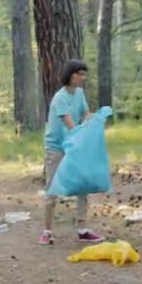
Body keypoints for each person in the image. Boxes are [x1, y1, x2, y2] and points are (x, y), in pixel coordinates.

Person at [39, 59, 105, 245]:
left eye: (84, 74)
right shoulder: (60, 98)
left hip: (75, 145)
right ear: (71, 75)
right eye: (80, 74)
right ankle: (47, 231)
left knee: (83, 186)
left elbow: (85, 114)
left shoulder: (80, 93)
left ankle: (83, 230)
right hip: (57, 148)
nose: (83, 78)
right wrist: (81, 134)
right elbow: (70, 123)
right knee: (52, 190)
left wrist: (96, 118)